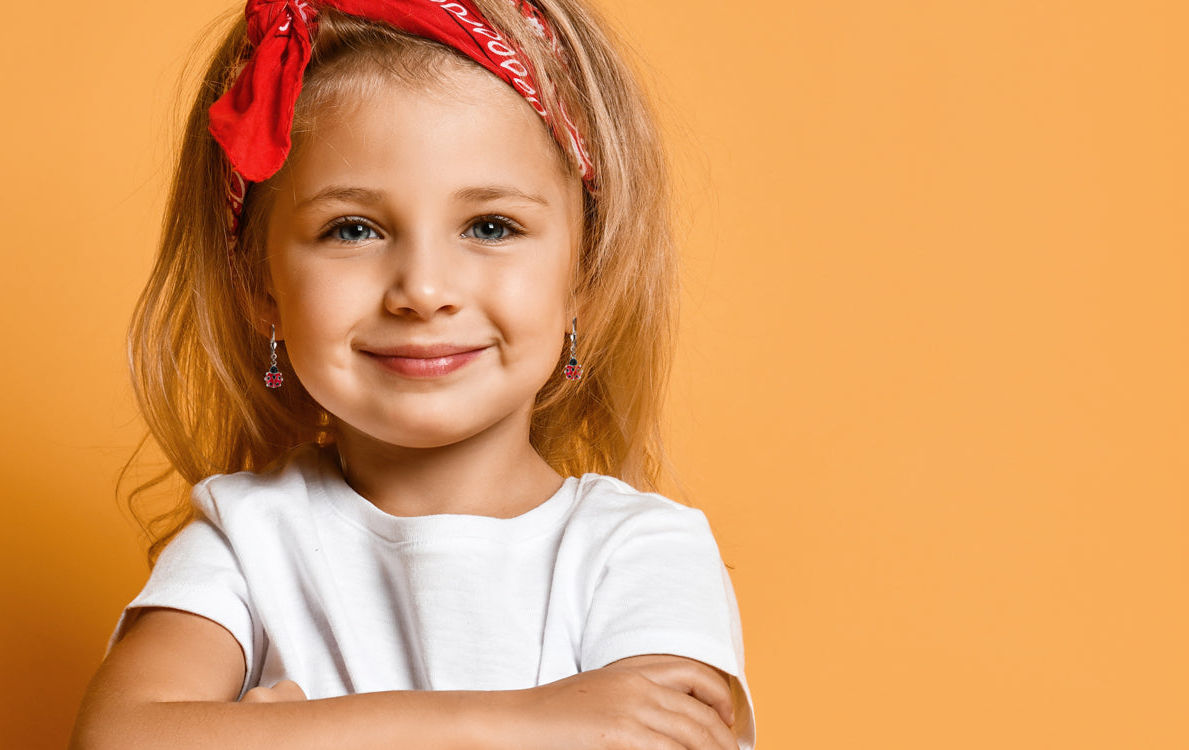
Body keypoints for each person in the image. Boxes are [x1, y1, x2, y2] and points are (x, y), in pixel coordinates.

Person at [68, 1, 755, 748]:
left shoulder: (642, 552)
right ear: (259, 286)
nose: (424, 291)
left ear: (583, 273)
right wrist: (528, 720)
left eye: (491, 226)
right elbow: (119, 739)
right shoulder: (248, 538)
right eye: (352, 229)